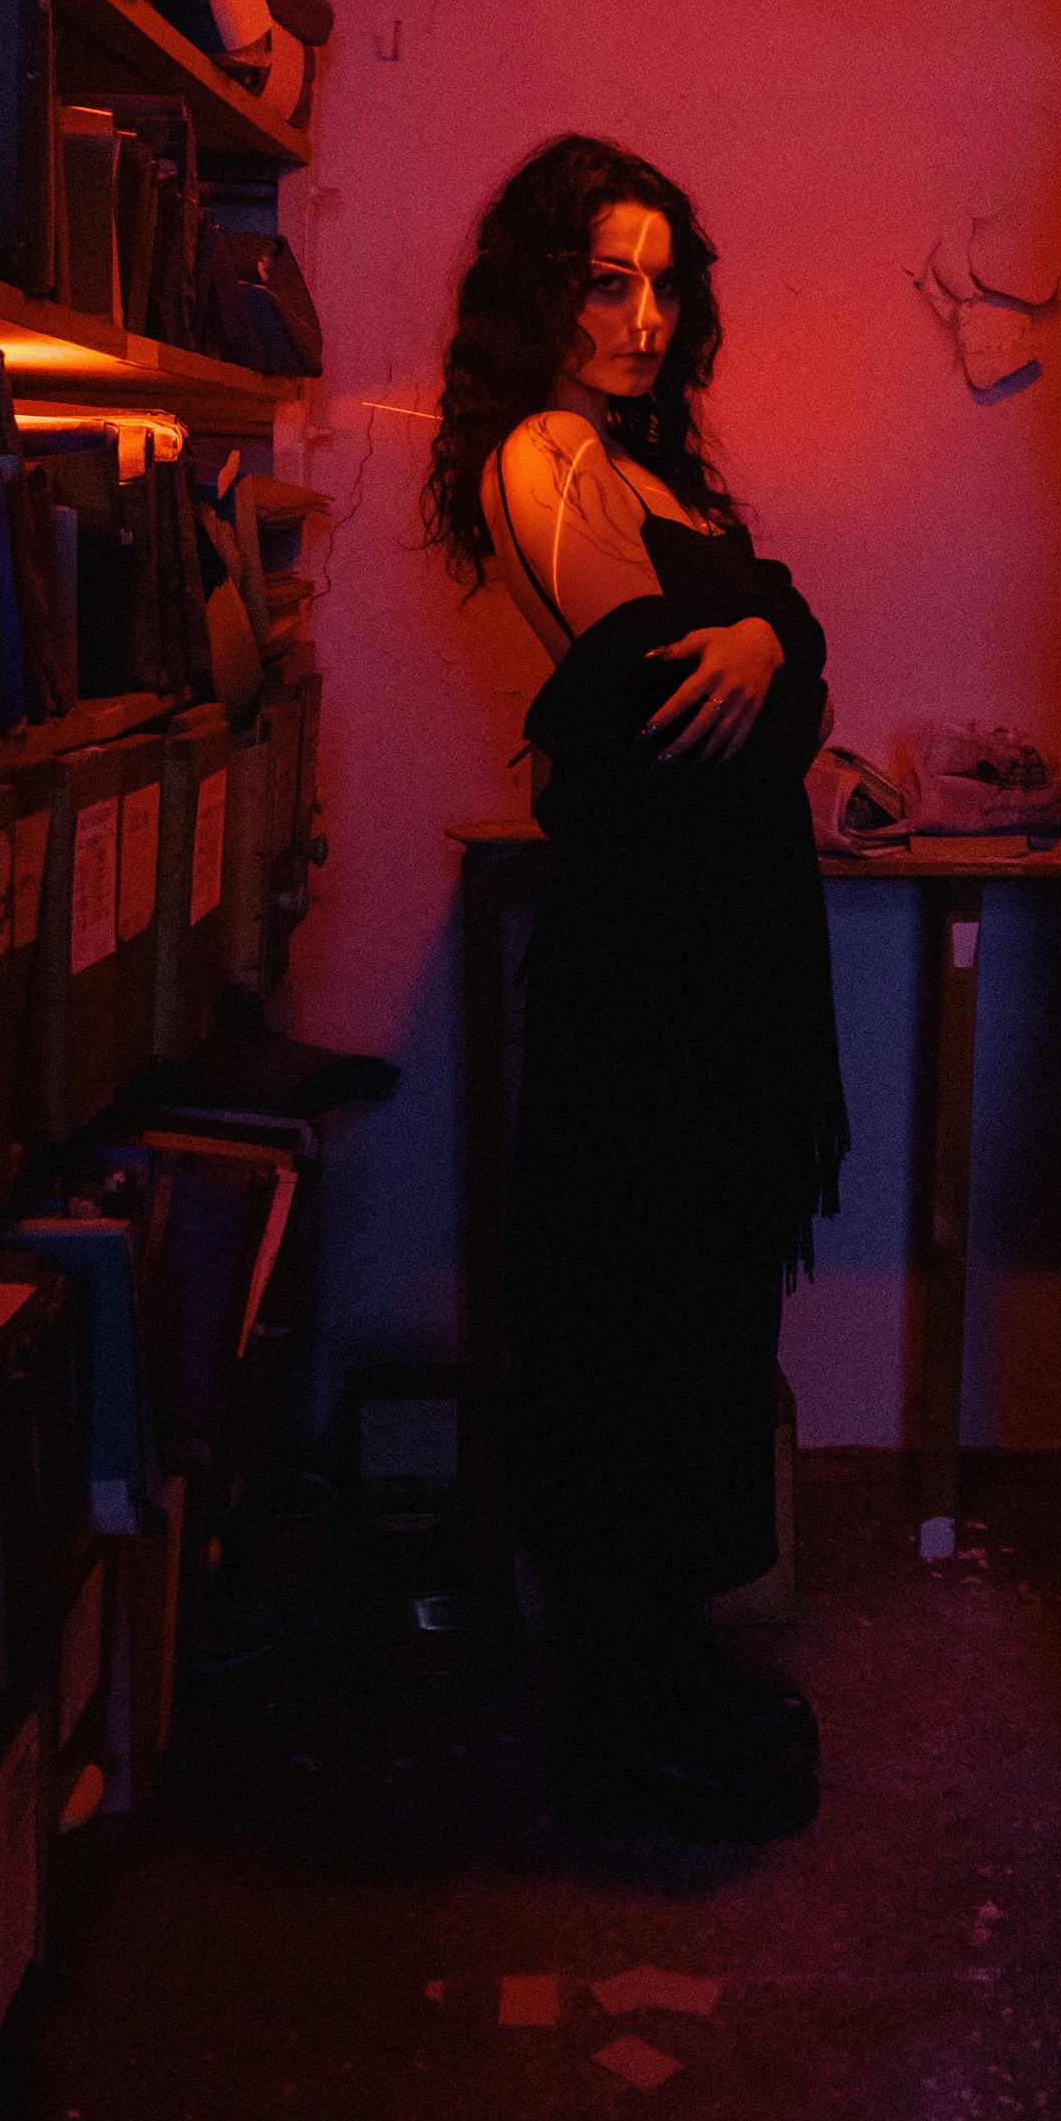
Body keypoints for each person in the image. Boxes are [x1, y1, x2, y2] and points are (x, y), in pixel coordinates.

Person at [424, 134, 847, 1839]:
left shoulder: (657, 469)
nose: (645, 313)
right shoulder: (545, 450)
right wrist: (769, 644)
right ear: (543, 288)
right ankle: (629, 1719)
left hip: (714, 962)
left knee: (695, 1320)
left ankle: (664, 1678)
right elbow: (676, 683)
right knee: (639, 1324)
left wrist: (779, 644)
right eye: (609, 278)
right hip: (654, 973)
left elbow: (777, 655)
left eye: (667, 281)